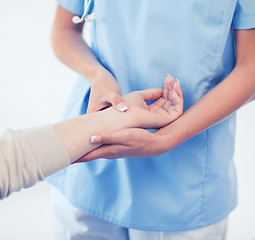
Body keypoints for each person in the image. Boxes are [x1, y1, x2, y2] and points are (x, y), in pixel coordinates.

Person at [48, 1, 255, 239]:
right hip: (92, 161)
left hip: (186, 179)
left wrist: (166, 138)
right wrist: (98, 75)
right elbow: (63, 30)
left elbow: (251, 67)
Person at [0, 77, 183, 200]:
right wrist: (111, 119)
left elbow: (11, 164)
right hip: (88, 184)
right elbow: (11, 166)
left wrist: (109, 119)